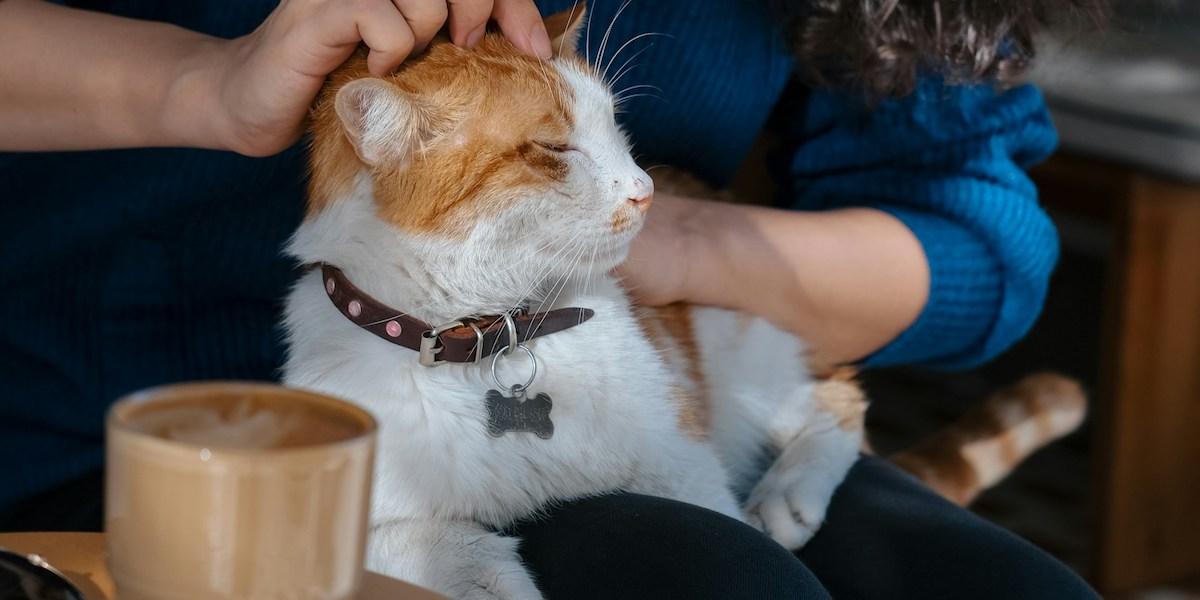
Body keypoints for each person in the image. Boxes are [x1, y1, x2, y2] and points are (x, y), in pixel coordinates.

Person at [0, 0, 1101, 597]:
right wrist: (204, 82)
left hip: (600, 378)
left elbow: (977, 234)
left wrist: (673, 238)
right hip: (109, 443)